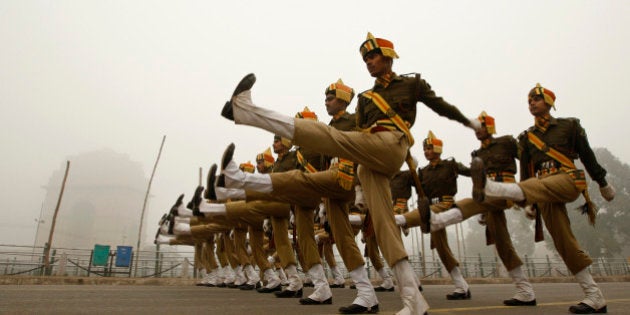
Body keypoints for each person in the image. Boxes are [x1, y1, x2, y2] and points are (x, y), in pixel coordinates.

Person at [220, 32, 481, 315]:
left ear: (389, 57)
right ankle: (411, 301)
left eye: (373, 56)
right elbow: (361, 135)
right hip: (368, 160)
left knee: (328, 140)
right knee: (383, 226)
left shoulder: (410, 83)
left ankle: (245, 115)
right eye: (365, 58)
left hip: (390, 144)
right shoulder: (366, 99)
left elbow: (439, 105)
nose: (369, 62)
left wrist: (469, 122)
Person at [214, 84, 381, 313]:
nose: (327, 102)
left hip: (337, 183)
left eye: (331, 98)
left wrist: (359, 190)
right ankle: (332, 290)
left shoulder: (348, 123)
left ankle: (233, 185)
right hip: (317, 192)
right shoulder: (315, 140)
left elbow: (360, 152)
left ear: (343, 100)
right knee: (310, 240)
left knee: (345, 236)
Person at [468, 84, 615, 314]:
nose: (532, 103)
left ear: (548, 102)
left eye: (536, 99)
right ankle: (594, 296)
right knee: (562, 241)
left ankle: (493, 189)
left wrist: (602, 182)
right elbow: (527, 174)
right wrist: (531, 202)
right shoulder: (527, 138)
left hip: (566, 179)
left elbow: (587, 155)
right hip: (543, 190)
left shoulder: (569, 126)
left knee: (530, 191)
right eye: (529, 101)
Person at [397, 112, 538, 306]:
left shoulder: (453, 164)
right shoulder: (425, 172)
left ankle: (402, 220)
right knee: (500, 242)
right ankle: (521, 290)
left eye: (429, 148)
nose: (427, 151)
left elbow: (475, 176)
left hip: (479, 198)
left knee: (459, 209)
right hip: (470, 201)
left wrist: (530, 194)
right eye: (425, 149)